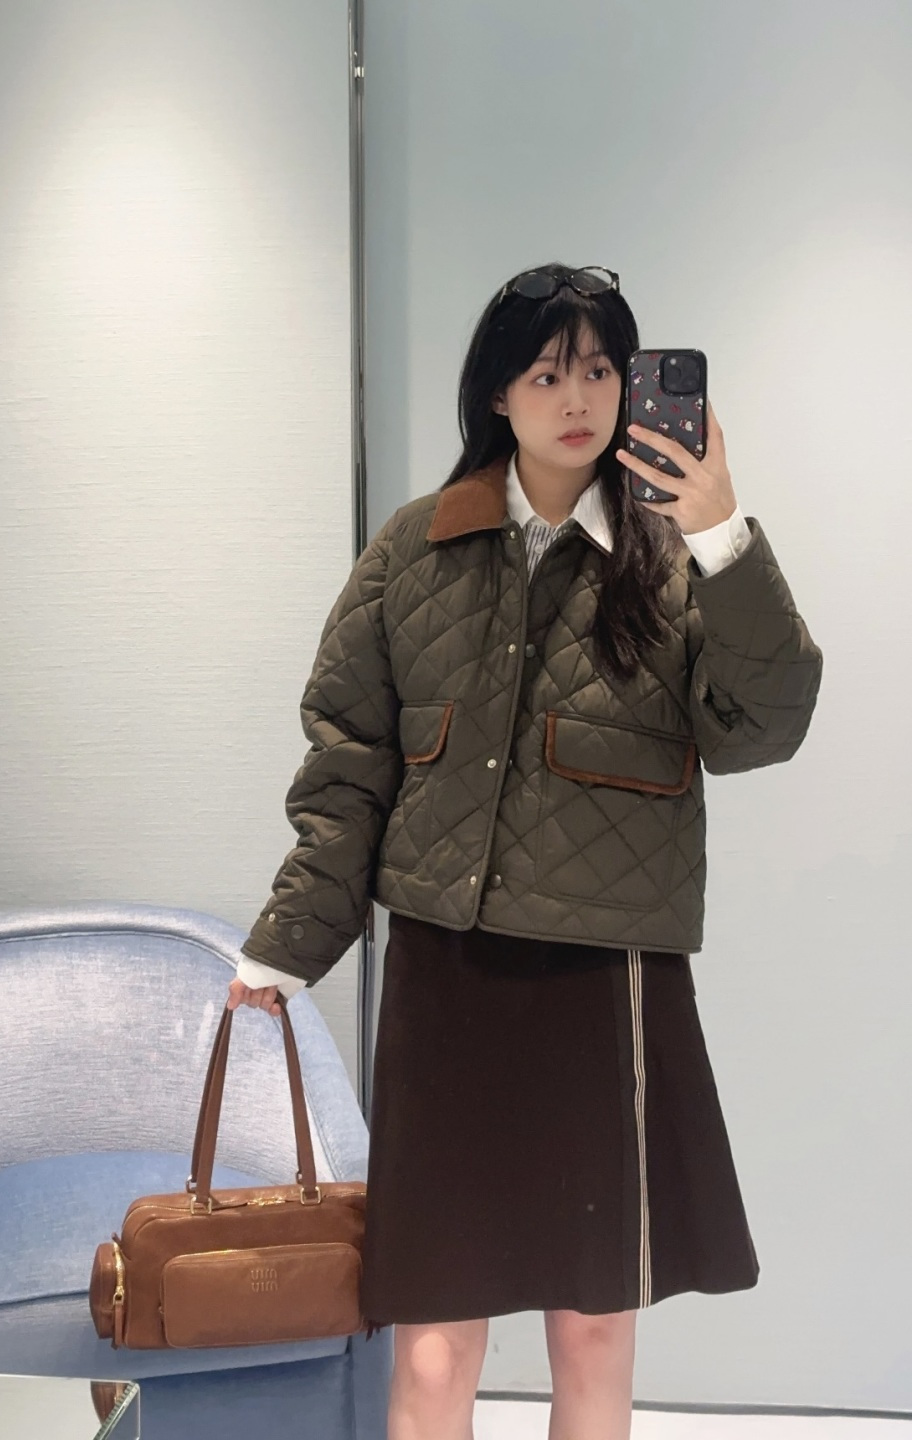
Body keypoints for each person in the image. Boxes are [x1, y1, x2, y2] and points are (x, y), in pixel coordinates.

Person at [227, 263, 823, 1440]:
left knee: (594, 1333)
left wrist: (723, 533)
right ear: (497, 392)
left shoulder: (678, 556)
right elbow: (349, 763)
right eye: (547, 373)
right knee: (434, 1343)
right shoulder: (415, 550)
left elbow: (765, 726)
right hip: (448, 976)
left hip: (609, 984)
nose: (578, 397)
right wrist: (289, 943)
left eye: (601, 369)